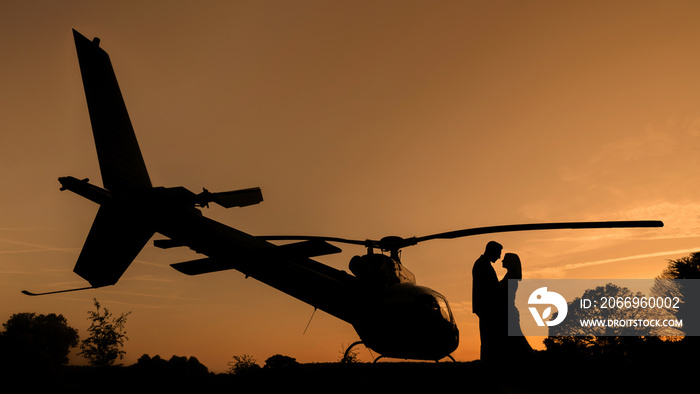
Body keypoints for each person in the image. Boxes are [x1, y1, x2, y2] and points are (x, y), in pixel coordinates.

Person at [472, 241, 503, 363]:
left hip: (485, 308)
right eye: (498, 253)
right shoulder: (483, 265)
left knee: (487, 339)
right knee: (489, 339)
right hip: (487, 308)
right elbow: (491, 288)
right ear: (491, 251)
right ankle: (488, 364)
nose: (499, 257)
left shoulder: (483, 264)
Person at [499, 253, 534, 362]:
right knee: (516, 341)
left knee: (517, 341)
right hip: (509, 312)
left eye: (504, 259)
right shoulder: (510, 276)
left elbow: (501, 293)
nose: (502, 261)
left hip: (508, 312)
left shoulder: (510, 277)